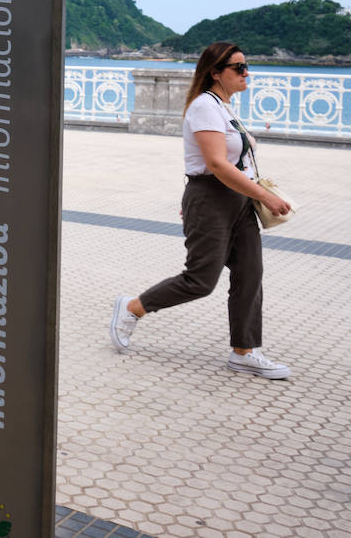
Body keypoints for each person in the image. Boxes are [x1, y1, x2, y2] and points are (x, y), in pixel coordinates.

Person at [109, 41, 293, 379]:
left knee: (250, 274)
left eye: (245, 65)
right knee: (200, 279)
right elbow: (216, 165)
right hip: (212, 197)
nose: (246, 73)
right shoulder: (205, 107)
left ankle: (245, 351)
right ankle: (133, 308)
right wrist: (266, 198)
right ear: (215, 73)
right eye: (238, 68)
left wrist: (254, 195)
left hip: (238, 199)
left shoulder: (225, 107)